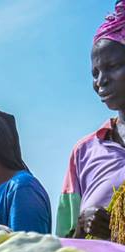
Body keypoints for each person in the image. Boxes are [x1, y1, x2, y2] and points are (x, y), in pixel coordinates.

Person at [59, 1, 125, 239]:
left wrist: (117, 231)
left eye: (112, 67)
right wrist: (81, 226)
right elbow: (62, 241)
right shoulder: (84, 152)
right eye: (95, 73)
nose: (100, 81)